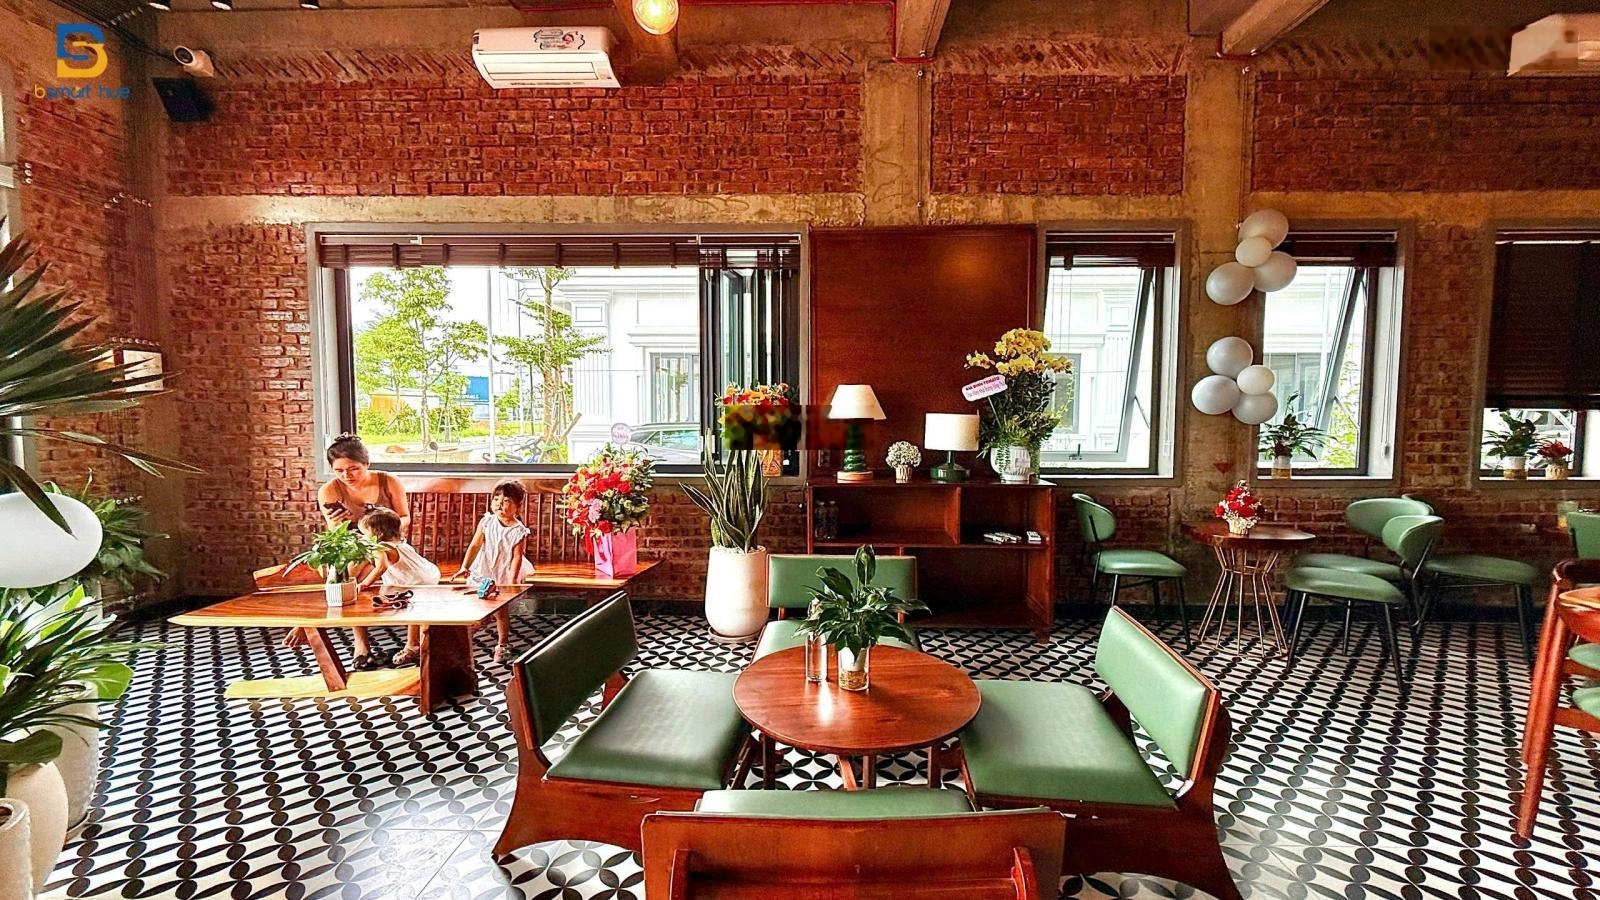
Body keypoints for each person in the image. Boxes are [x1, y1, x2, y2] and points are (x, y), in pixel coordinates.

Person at [285, 433, 414, 655]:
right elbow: (336, 535)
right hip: (353, 544)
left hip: (389, 542)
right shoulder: (329, 490)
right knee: (349, 567)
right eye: (339, 470)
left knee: (350, 572)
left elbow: (405, 517)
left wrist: (381, 532)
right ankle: (360, 642)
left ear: (367, 463)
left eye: (354, 468)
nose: (347, 475)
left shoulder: (388, 481)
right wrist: (340, 523)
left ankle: (312, 622)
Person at [454, 479, 533, 664]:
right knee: (479, 601)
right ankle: (470, 631)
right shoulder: (487, 522)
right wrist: (465, 566)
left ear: (518, 507)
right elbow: (475, 545)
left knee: (501, 610)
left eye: (506, 501)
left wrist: (512, 581)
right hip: (484, 567)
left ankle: (502, 644)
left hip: (503, 571)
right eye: (496, 499)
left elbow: (517, 557)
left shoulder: (519, 531)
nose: (500, 504)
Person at [353, 507, 441, 669]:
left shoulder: (380, 547)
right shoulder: (400, 543)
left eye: (364, 533)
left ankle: (413, 646)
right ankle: (417, 644)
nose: (363, 537)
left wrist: (365, 583)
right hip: (428, 574)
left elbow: (381, 567)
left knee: (408, 608)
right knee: (415, 611)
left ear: (377, 534)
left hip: (413, 582)